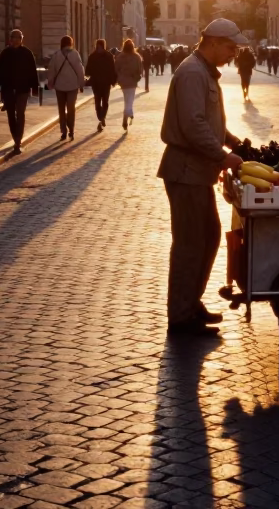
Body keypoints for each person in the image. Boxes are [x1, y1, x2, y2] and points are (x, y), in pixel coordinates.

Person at [158, 18, 247, 338]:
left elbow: (208, 123)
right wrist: (222, 156)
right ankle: (181, 317)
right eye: (230, 47)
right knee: (189, 243)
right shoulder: (193, 73)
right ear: (212, 42)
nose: (233, 54)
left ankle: (190, 302)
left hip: (197, 172)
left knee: (207, 236)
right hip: (186, 171)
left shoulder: (202, 70)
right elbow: (194, 126)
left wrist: (232, 140)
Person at [0, 29, 39, 155]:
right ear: (10, 39)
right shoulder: (5, 53)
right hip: (8, 88)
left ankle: (18, 140)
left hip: (23, 89)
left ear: (21, 39)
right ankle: (15, 137)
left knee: (21, 113)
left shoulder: (27, 53)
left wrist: (35, 88)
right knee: (11, 115)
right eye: (14, 37)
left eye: (18, 37)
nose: (16, 40)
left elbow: (32, 72)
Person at [44, 36, 85, 141]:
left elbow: (51, 70)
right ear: (71, 43)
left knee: (61, 109)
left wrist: (50, 83)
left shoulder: (57, 55)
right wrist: (81, 84)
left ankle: (63, 131)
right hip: (73, 86)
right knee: (71, 108)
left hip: (60, 86)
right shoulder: (75, 54)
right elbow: (80, 70)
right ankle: (71, 129)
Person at [86, 38, 118, 131]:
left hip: (96, 82)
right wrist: (114, 81)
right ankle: (102, 117)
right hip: (106, 82)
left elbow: (88, 70)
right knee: (105, 101)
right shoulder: (109, 56)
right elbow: (113, 70)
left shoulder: (92, 56)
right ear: (104, 45)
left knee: (97, 100)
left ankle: (100, 117)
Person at [115, 39, 143, 130]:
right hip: (132, 81)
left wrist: (118, 78)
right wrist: (137, 77)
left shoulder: (120, 57)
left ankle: (125, 118)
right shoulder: (137, 57)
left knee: (127, 100)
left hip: (123, 81)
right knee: (129, 100)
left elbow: (116, 69)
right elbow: (140, 70)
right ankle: (129, 113)